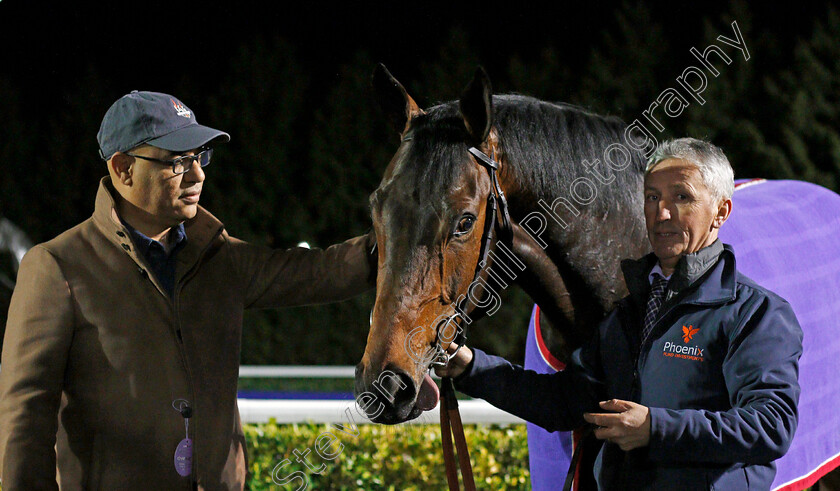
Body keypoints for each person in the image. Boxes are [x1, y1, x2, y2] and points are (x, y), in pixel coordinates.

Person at [0, 91, 376, 489]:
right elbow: (25, 417)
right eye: (178, 161)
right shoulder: (56, 265)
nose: (198, 175)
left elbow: (320, 272)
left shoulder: (220, 257)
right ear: (123, 168)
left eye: (200, 157)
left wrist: (409, 241)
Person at [437, 138, 803, 490]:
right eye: (652, 197)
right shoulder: (630, 310)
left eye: (682, 196)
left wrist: (654, 428)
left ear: (721, 212)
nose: (662, 212)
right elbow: (567, 402)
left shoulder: (758, 312)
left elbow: (771, 426)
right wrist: (470, 367)